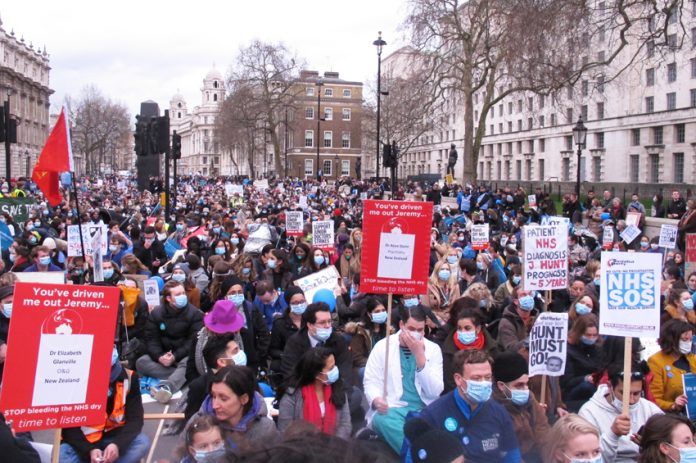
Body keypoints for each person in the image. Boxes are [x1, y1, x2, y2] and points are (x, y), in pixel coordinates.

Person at [413, 349, 521, 462]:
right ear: (458, 379)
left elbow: (512, 455)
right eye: (477, 378)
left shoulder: (499, 413)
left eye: (488, 377)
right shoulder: (433, 415)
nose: (484, 383)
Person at [363, 305, 443, 454]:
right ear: (401, 325)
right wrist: (375, 399)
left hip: (423, 408)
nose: (416, 334)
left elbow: (435, 391)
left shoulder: (433, 349)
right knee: (382, 420)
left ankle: (422, 451)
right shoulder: (383, 347)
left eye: (420, 330)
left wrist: (420, 358)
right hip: (394, 408)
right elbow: (371, 381)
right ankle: (416, 456)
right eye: (411, 329)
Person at [61, 347, 150, 463]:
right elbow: (68, 428)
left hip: (115, 437)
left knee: (142, 443)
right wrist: (89, 450)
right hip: (85, 441)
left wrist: (117, 445)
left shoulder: (129, 378)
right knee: (62, 454)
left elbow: (135, 420)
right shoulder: (74, 381)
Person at [136, 280, 204, 403]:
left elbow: (192, 342)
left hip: (182, 357)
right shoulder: (156, 313)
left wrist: (175, 356)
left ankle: (167, 387)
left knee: (189, 363)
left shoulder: (195, 314)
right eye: (178, 295)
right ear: (168, 298)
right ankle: (181, 377)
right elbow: (151, 339)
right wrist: (159, 356)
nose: (183, 296)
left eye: (183, 293)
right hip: (163, 357)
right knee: (141, 362)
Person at [578, 365, 662, 463]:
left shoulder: (648, 408)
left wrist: (649, 445)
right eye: (624, 393)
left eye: (636, 393)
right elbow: (591, 459)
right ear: (610, 387)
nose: (631, 400)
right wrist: (612, 434)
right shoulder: (588, 412)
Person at [186, 365, 279, 450]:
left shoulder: (264, 430)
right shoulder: (196, 422)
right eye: (213, 396)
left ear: (244, 399)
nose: (215, 405)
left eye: (223, 399)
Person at [278, 347, 351, 439]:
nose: (335, 370)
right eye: (331, 368)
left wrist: (333, 446)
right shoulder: (292, 396)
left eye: (335, 365)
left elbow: (345, 424)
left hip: (334, 448)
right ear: (316, 373)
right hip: (300, 449)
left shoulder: (338, 388)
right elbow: (285, 430)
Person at [492, 351, 550, 463]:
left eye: (526, 384)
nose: (525, 390)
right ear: (501, 386)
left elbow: (543, 431)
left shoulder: (530, 399)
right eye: (519, 385)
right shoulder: (490, 408)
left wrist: (551, 457)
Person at [281, 302, 353, 391]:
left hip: (335, 388)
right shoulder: (295, 342)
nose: (327, 326)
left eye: (329, 321)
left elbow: (346, 369)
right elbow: (290, 374)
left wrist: (336, 392)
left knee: (355, 395)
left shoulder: (338, 340)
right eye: (322, 322)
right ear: (310, 325)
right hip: (306, 390)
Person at [441, 305, 498, 392]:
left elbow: (495, 377)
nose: (462, 332)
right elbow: (449, 382)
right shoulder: (449, 350)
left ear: (478, 329)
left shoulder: (491, 347)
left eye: (467, 328)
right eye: (459, 328)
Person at [648, 319, 696, 412]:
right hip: (671, 416)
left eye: (690, 339)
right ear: (672, 339)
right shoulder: (655, 361)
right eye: (685, 339)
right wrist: (673, 405)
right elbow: (653, 399)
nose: (688, 343)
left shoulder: (692, 358)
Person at [562, 314, 602, 412]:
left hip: (595, 386)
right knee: (587, 387)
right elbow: (566, 381)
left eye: (594, 335)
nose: (591, 338)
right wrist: (585, 378)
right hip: (575, 390)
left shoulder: (598, 348)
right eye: (588, 335)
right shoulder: (568, 350)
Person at [497, 287, 536, 353]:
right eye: (523, 295)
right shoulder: (506, 322)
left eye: (530, 294)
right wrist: (531, 340)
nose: (528, 297)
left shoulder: (538, 318)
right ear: (515, 301)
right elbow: (511, 348)